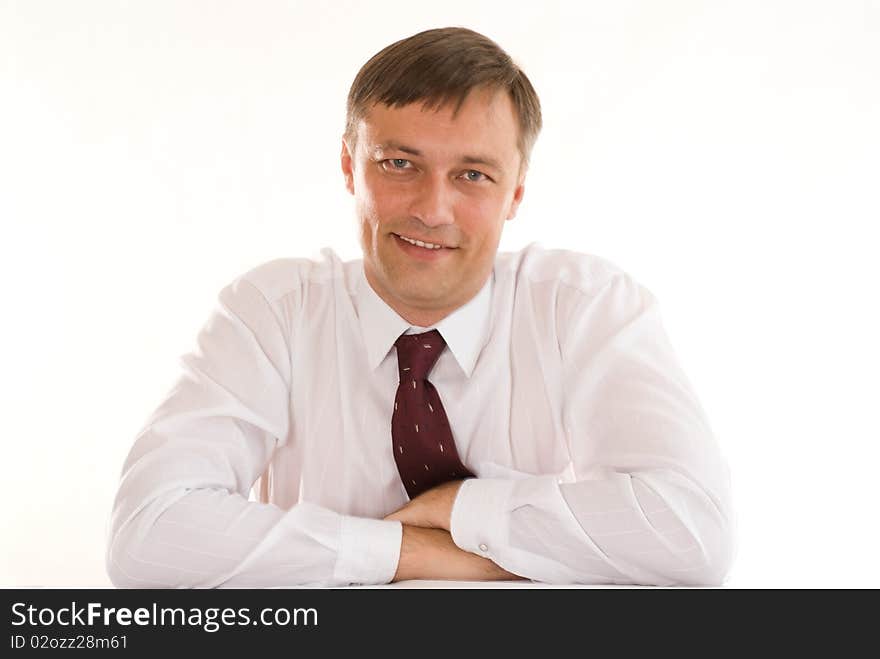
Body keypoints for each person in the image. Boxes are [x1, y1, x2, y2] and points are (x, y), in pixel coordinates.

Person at [106, 26, 735, 588]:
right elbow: (149, 536)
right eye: (399, 163)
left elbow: (693, 534)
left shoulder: (584, 307)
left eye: (473, 175)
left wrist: (459, 509)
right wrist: (420, 552)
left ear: (515, 191)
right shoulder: (274, 311)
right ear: (349, 165)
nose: (433, 210)